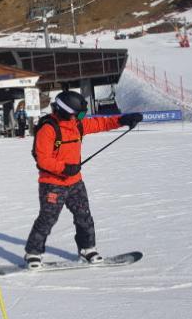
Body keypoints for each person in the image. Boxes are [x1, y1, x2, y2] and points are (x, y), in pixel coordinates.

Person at [24, 91, 142, 269]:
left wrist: (122, 120)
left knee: (84, 216)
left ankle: (87, 249)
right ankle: (33, 253)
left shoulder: (76, 124)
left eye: (80, 115)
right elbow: (43, 159)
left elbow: (100, 123)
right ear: (64, 110)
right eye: (77, 114)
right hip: (52, 183)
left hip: (75, 182)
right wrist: (64, 168)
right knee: (47, 219)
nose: (79, 118)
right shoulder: (48, 129)